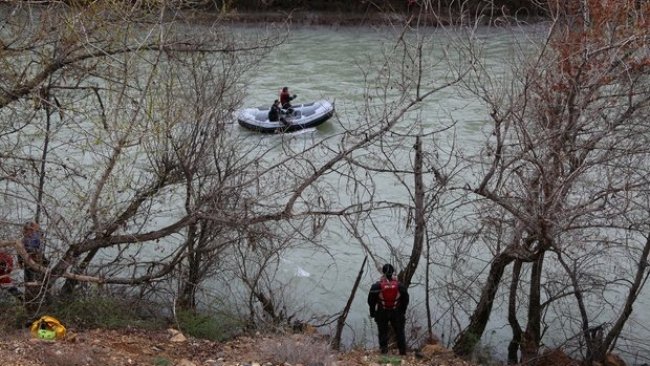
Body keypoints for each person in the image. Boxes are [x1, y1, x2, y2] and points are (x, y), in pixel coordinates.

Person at [368, 263, 409, 355]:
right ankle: (402, 353)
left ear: (383, 272)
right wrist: (403, 311)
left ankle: (384, 352)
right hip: (396, 311)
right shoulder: (400, 286)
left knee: (383, 333)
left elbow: (371, 301)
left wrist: (373, 313)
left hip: (382, 311)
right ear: (393, 272)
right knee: (399, 332)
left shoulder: (376, 286)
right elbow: (406, 299)